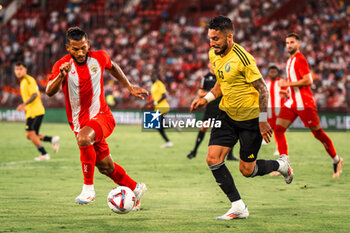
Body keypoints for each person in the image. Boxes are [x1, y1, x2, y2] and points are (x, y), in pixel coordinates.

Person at [190, 16, 293, 220]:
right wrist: (207, 98)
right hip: (226, 114)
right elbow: (221, 82)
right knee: (213, 158)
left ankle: (281, 166)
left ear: (229, 37)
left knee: (247, 170)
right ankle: (238, 207)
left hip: (250, 120)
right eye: (210, 38)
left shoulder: (244, 59)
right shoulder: (214, 54)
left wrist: (262, 121)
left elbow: (263, 89)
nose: (212, 43)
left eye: (216, 39)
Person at [46, 27, 149, 207]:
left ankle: (88, 189)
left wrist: (129, 86)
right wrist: (60, 76)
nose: (80, 52)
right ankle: (135, 188)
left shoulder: (99, 57)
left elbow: (113, 66)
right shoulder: (61, 66)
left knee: (84, 138)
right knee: (105, 167)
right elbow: (49, 91)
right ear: (68, 48)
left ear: (88, 45)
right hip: (80, 124)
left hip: (102, 117)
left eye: (83, 48)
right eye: (76, 49)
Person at [275, 33, 343, 178]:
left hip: (304, 103)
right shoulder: (289, 61)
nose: (289, 45)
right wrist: (286, 91)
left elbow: (308, 80)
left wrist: (287, 84)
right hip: (292, 102)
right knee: (278, 129)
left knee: (318, 133)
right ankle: (284, 164)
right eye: (287, 43)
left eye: (292, 42)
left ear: (298, 44)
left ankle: (336, 160)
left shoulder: (300, 59)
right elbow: (295, 82)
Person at [187, 62, 237, 161]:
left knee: (230, 130)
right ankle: (194, 150)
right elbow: (200, 92)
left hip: (223, 107)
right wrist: (212, 93)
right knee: (204, 128)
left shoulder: (222, 76)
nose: (213, 64)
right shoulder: (205, 78)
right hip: (210, 108)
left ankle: (230, 154)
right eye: (211, 63)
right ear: (208, 65)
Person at [14, 61, 59, 161]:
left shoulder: (28, 80)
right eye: (16, 69)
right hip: (32, 111)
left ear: (25, 70)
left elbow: (34, 94)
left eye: (21, 69)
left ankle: (44, 154)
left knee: (30, 134)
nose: (18, 71)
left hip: (35, 111)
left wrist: (23, 105)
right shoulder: (23, 82)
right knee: (31, 135)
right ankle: (52, 139)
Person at [265, 65, 287, 156]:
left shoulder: (281, 82)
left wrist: (285, 93)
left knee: (279, 132)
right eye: (271, 72)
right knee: (272, 131)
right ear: (268, 73)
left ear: (277, 73)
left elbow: (287, 92)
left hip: (280, 111)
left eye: (274, 72)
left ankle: (282, 150)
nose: (273, 73)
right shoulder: (266, 84)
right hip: (269, 112)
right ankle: (279, 148)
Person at [149, 72, 173, 148]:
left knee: (157, 125)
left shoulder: (159, 84)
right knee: (158, 126)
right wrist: (154, 102)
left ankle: (168, 140)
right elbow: (155, 96)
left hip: (162, 106)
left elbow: (164, 95)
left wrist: (157, 102)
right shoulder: (153, 85)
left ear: (155, 77)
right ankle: (168, 141)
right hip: (157, 107)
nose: (151, 78)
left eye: (152, 77)